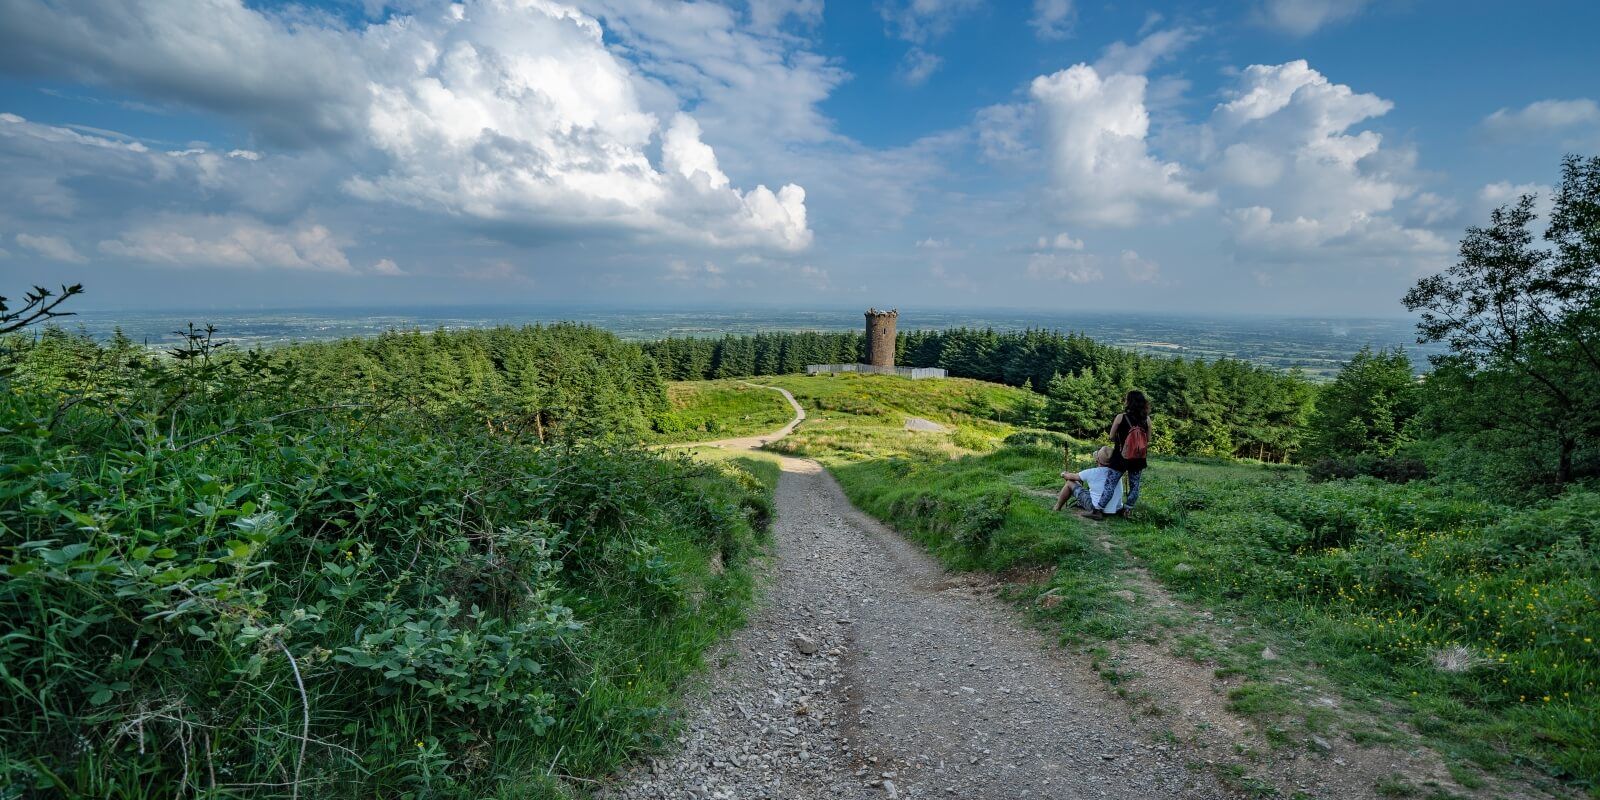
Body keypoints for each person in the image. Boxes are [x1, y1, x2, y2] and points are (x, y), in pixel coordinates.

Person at [1082, 390, 1151, 520]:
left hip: (1121, 457)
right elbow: (1148, 439)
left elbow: (1111, 436)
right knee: (1135, 485)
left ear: (1129, 402)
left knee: (1111, 483)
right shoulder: (1146, 419)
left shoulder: (1121, 417)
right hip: (1138, 458)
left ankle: (1098, 511)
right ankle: (1127, 511)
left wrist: (1121, 441)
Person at [1053, 446, 1124, 515]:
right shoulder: (1116, 474)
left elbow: (1070, 477)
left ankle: (1056, 508)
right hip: (1116, 509)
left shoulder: (1092, 472)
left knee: (1070, 483)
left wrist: (1063, 474)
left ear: (1097, 460)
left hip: (1096, 509)